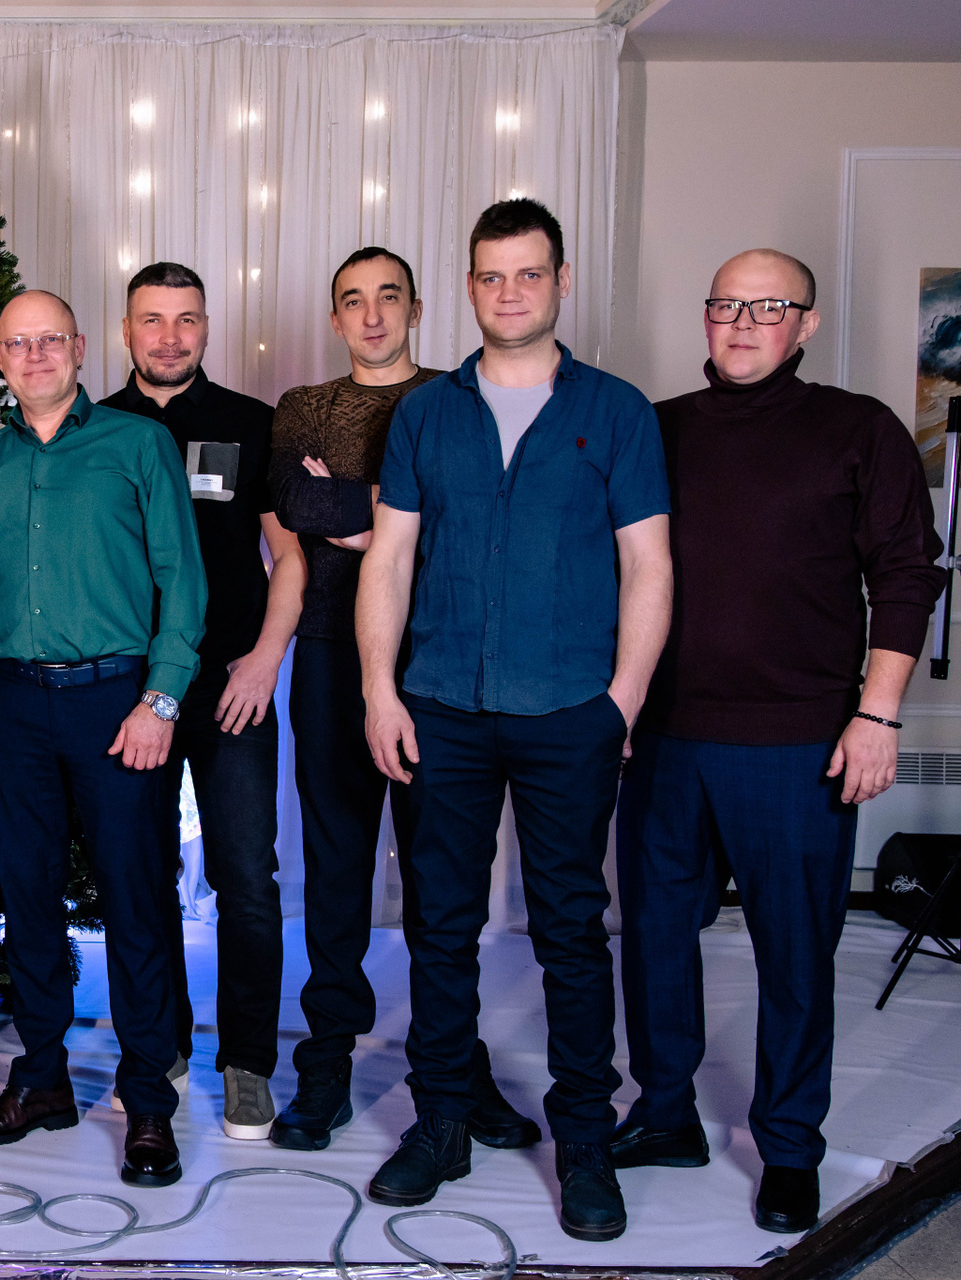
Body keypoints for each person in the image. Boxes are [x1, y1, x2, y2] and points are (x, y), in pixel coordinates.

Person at [357, 199, 673, 1242]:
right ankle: (442, 1121)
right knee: (440, 927)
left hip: (569, 709)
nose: (509, 293)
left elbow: (648, 563)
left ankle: (585, 1138)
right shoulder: (425, 414)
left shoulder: (617, 411)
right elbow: (390, 556)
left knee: (572, 931)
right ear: (469, 287)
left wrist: (622, 700)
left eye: (528, 274)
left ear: (561, 281)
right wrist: (380, 688)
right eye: (491, 276)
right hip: (442, 705)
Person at [612, 250, 943, 1234]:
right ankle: (665, 1112)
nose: (744, 322)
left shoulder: (859, 429)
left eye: (768, 306)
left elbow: (908, 574)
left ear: (805, 323)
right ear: (706, 317)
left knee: (795, 955)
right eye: (727, 304)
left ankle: (791, 1146)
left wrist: (877, 715)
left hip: (799, 745)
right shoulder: (657, 428)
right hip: (664, 740)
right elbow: (603, 564)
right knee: (654, 941)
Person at [0, 289, 208, 1188]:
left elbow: (183, 581)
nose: (36, 355)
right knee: (28, 898)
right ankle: (44, 1079)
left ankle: (149, 1098)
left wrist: (160, 700)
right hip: (13, 707)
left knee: (136, 900)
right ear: (1, 358)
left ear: (82, 347)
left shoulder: (139, 444)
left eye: (51, 339)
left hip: (116, 703)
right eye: (19, 343)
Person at [267, 247, 538, 1155]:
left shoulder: (458, 399)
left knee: (441, 881)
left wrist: (352, 508)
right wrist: (389, 509)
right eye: (354, 300)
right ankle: (327, 1062)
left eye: (389, 297)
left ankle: (453, 1065)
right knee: (337, 867)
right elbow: (297, 505)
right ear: (335, 317)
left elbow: (472, 518)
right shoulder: (304, 407)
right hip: (328, 658)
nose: (373, 314)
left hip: (438, 665)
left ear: (418, 309)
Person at [99, 263, 301, 1140]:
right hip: (131, 693)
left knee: (246, 878)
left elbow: (290, 558)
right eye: (153, 320)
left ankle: (249, 1064)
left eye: (186, 319)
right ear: (126, 331)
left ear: (207, 327)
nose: (170, 337)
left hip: (231, 689)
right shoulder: (95, 427)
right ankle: (161, 1051)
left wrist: (265, 662)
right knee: (139, 874)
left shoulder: (251, 423)